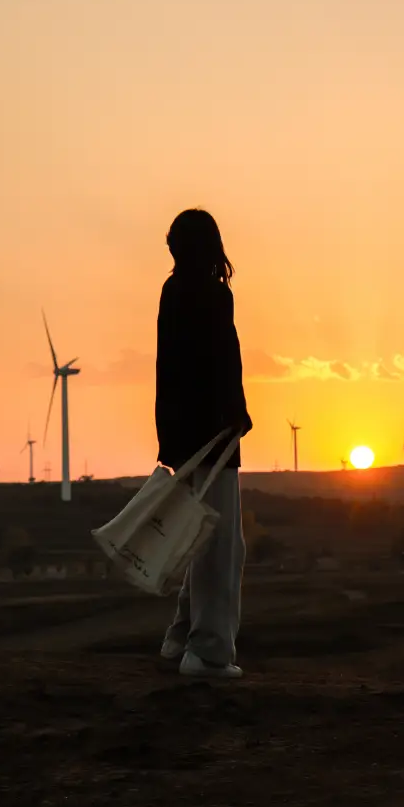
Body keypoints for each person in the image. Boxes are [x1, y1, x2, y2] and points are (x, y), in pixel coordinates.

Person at [155, 209, 252, 679]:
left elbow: (168, 369)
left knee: (200, 535)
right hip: (215, 436)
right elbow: (221, 363)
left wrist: (167, 440)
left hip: (181, 438)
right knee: (220, 545)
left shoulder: (172, 292)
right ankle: (208, 652)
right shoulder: (214, 296)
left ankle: (180, 636)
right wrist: (238, 415)